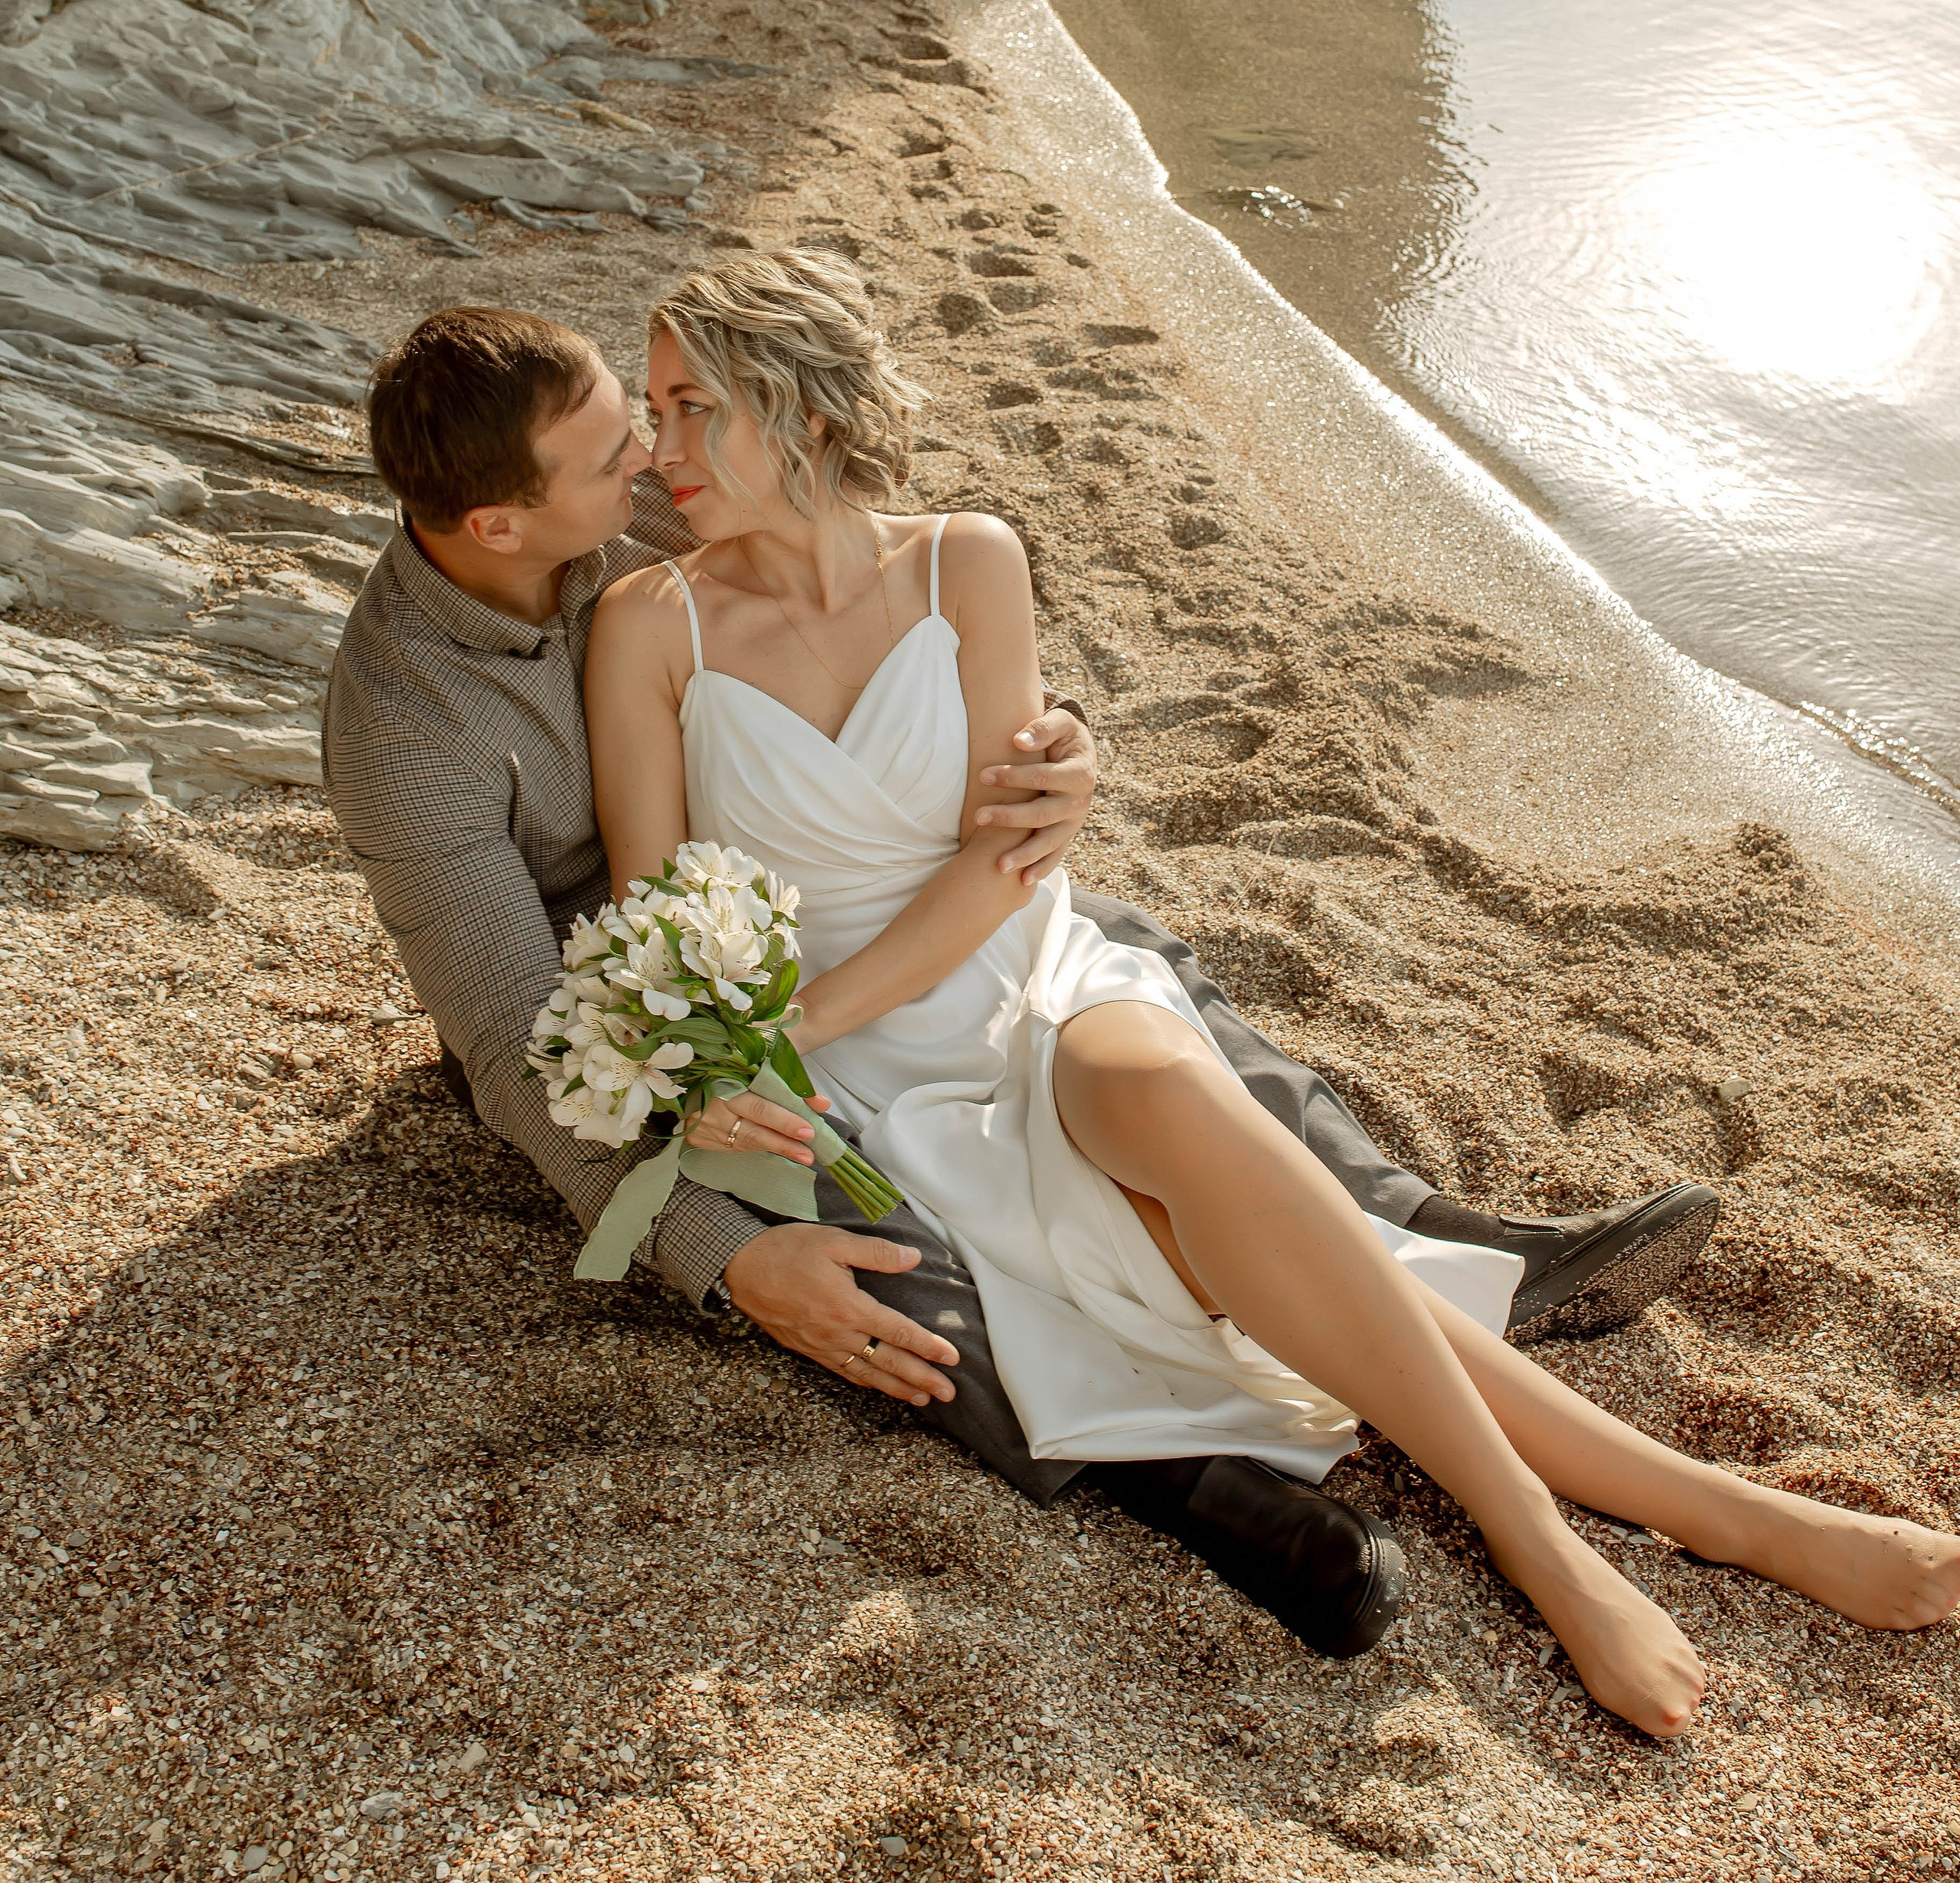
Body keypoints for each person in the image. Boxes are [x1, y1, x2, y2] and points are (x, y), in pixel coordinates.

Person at [579, 249, 1960, 1736]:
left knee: (1150, 1087)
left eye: (687, 409)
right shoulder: (652, 626)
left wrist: (818, 1009)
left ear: (794, 404)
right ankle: (1677, 1523)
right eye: (654, 417)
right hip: (860, 1086)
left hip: (1019, 972)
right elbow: (658, 915)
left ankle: (1582, 1538)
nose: (660, 457)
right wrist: (761, 1048)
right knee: (1240, 1256)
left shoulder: (963, 562)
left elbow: (1006, 862)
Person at [324, 295, 1719, 1659]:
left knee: (1147, 993)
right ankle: (1190, 1482)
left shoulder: (653, 496)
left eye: (655, 421)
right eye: (623, 447)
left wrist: (1056, 759)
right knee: (877, 1265)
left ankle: (1427, 1231)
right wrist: (726, 1253)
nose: (648, 461)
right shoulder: (413, 724)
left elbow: (876, 593)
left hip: (891, 930)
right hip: (639, 1004)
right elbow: (518, 1039)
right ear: (500, 525)